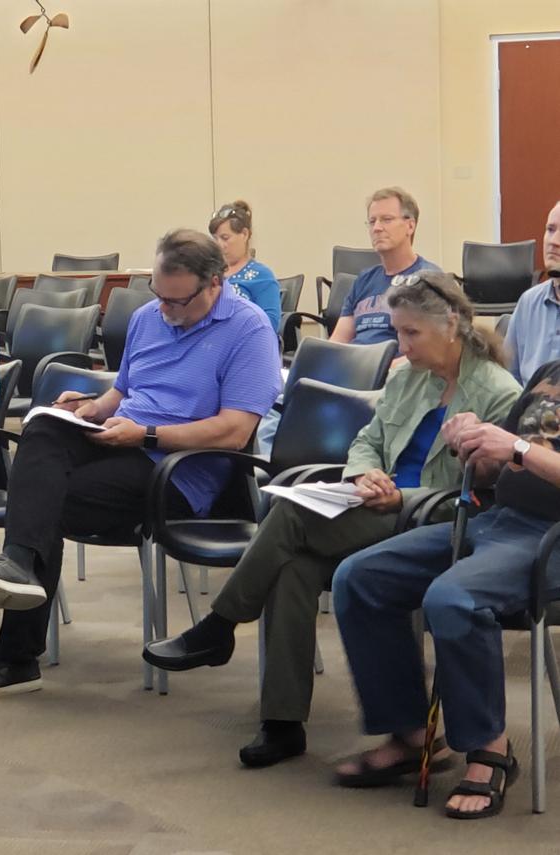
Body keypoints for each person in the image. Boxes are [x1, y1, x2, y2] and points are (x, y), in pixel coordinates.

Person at [143, 271, 522, 767]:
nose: (401, 345)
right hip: (380, 505)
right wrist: (364, 474)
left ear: (451, 324)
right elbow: (367, 441)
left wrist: (400, 495)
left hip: (439, 517)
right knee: (293, 567)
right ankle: (282, 723)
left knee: (291, 513)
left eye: (411, 332)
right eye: (397, 331)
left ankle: (219, 625)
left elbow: (490, 490)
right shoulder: (407, 377)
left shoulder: (497, 391)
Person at [0, 229, 282, 699]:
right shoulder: (148, 316)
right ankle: (17, 566)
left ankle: (15, 656)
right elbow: (123, 393)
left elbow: (234, 431)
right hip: (123, 440)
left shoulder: (249, 330)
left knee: (41, 502)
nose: (165, 310)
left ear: (214, 285)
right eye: (159, 295)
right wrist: (89, 407)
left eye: (177, 301)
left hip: (180, 469)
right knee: (42, 431)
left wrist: (146, 434)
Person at [331, 356, 560, 819]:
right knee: (360, 577)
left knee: (454, 598)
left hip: (551, 538)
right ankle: (412, 734)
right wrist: (475, 445)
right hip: (500, 520)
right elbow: (499, 468)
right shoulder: (550, 372)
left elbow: (521, 450)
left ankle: (489, 747)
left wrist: (516, 447)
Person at [330, 186, 441, 347]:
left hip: (396, 362)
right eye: (372, 221)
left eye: (387, 219)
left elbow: (430, 349)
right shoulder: (363, 280)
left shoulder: (429, 280)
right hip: (354, 360)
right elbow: (338, 341)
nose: (377, 228)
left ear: (410, 226)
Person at [504, 199, 560, 383]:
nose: (554, 241)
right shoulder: (529, 302)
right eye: (550, 230)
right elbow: (508, 380)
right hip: (528, 401)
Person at [209, 201, 281, 331]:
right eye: (215, 239)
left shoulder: (261, 276)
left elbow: (269, 325)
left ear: (244, 234)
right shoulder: (208, 273)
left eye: (225, 238)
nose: (219, 245)